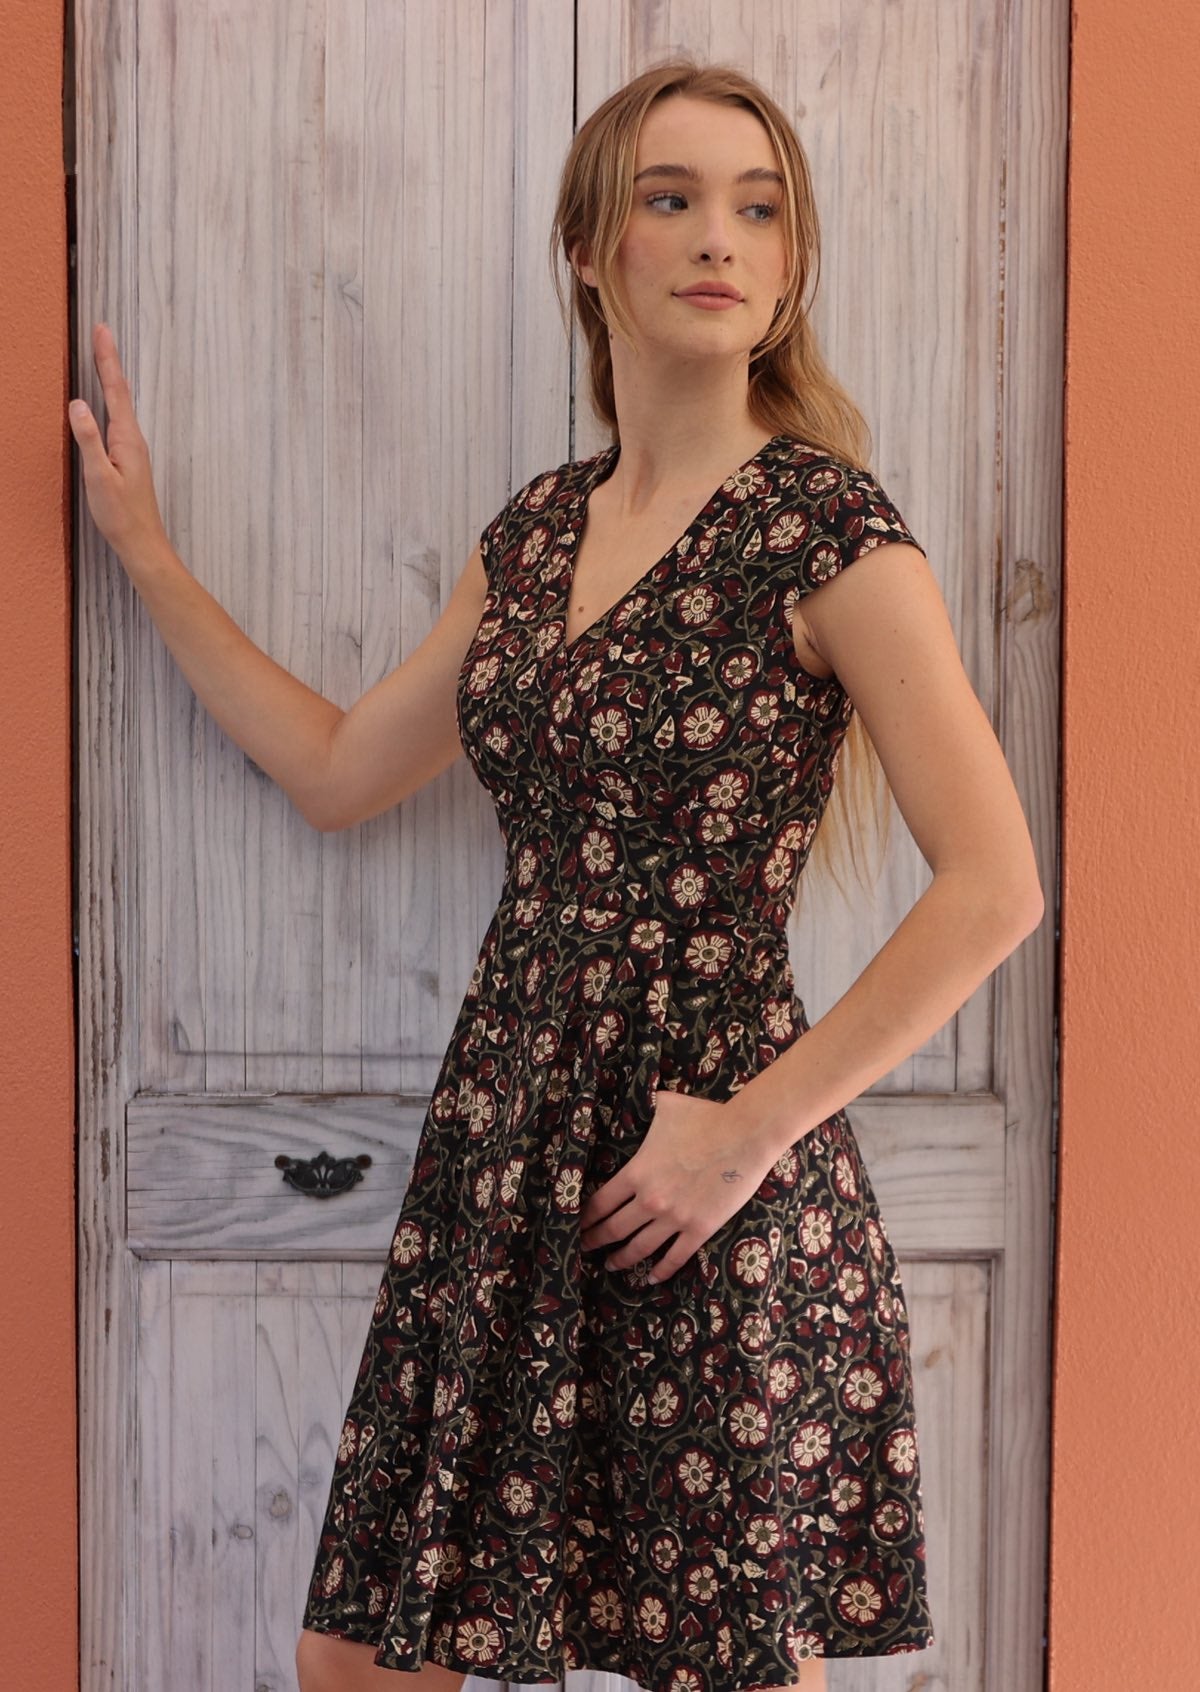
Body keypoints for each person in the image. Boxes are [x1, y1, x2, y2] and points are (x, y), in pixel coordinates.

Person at [68, 55, 1042, 1692]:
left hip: (704, 1162)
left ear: (791, 268)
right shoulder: (533, 536)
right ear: (590, 250)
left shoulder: (828, 532)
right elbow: (333, 772)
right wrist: (148, 554)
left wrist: (743, 1133)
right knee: (365, 1659)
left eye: (757, 207)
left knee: (722, 1668)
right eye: (669, 199)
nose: (717, 237)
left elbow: (996, 887)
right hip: (507, 1144)